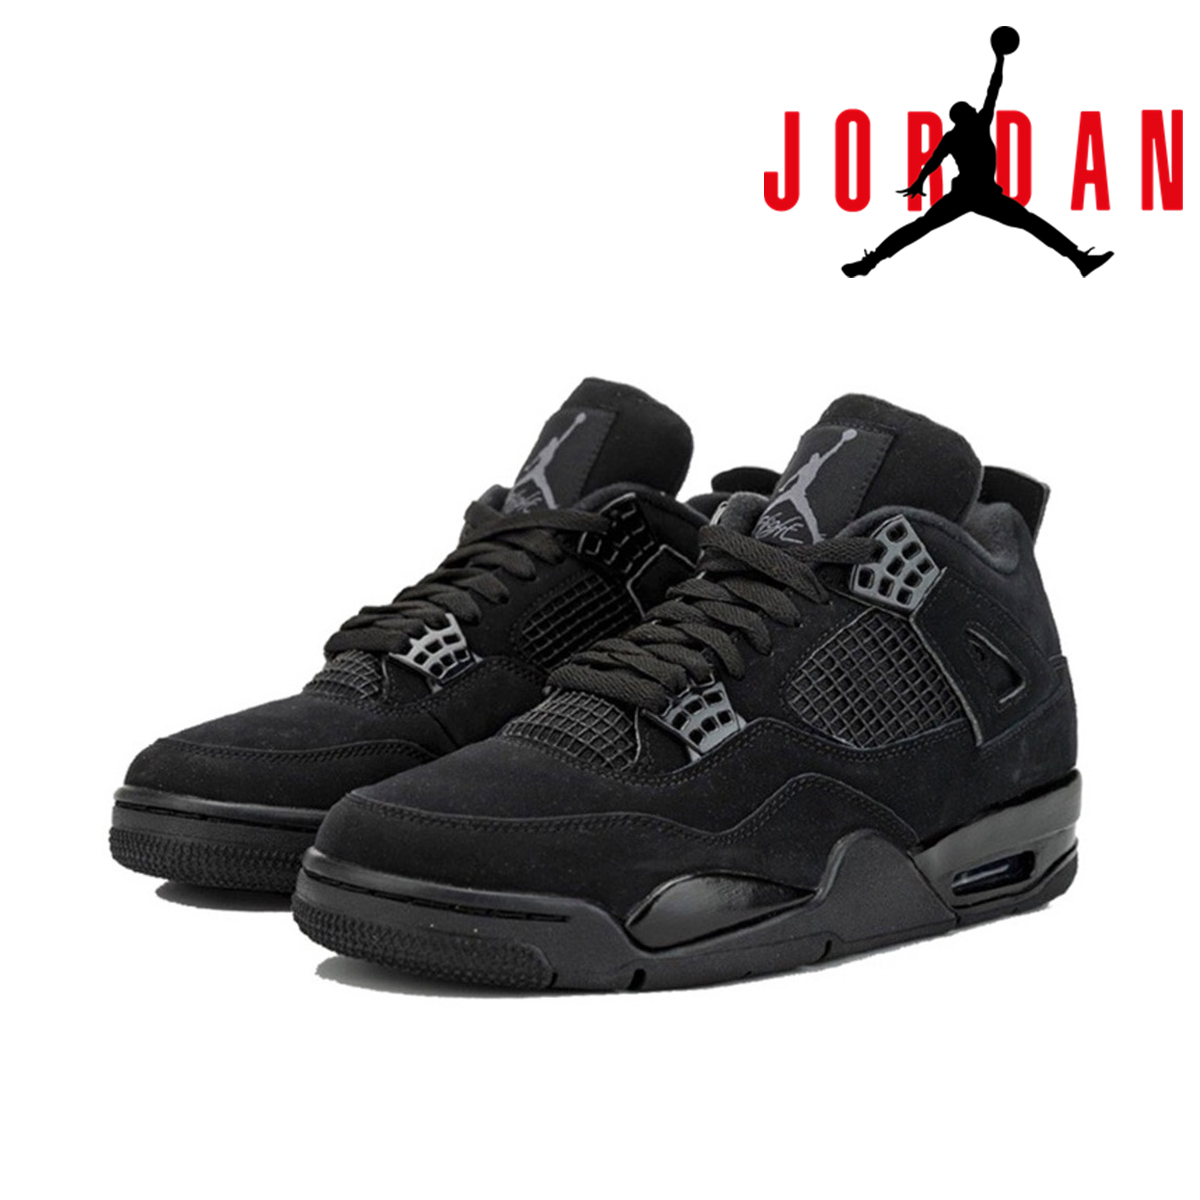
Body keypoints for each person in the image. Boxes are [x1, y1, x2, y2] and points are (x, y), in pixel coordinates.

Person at [842, 50, 1113, 278]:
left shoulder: (954, 135)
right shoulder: (978, 125)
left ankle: (870, 263)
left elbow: (933, 162)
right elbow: (993, 89)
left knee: (921, 226)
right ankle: (1079, 259)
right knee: (1029, 222)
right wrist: (1000, 59)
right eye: (971, 108)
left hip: (969, 195)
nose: (975, 108)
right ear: (966, 115)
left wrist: (919, 182)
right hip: (980, 194)